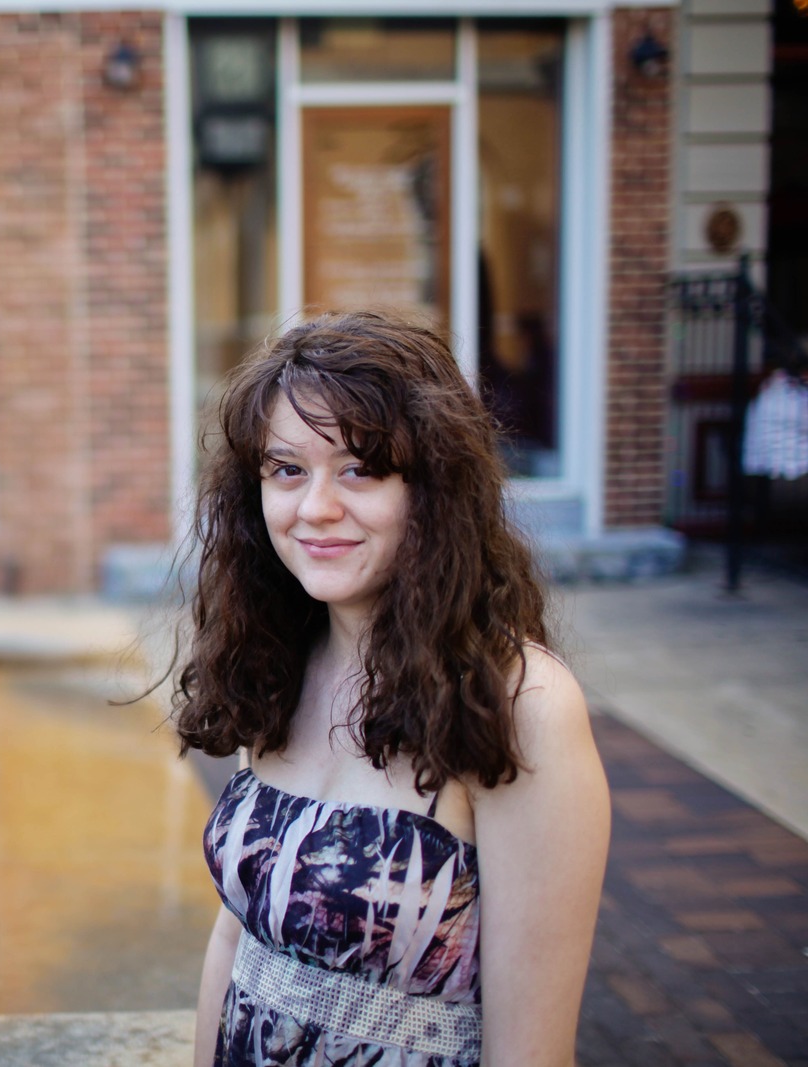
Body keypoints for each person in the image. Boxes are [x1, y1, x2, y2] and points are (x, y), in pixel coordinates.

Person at [176, 310, 610, 1066]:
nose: (314, 508)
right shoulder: (279, 661)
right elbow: (236, 936)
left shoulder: (519, 702)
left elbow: (531, 1051)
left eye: (361, 468)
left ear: (434, 489)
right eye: (287, 469)